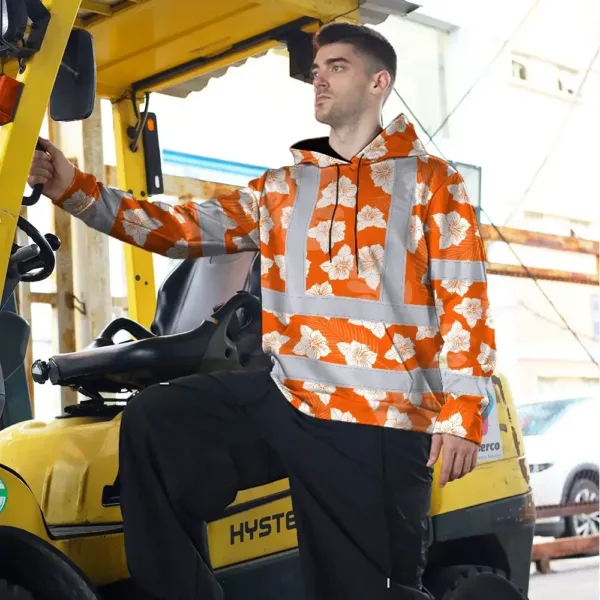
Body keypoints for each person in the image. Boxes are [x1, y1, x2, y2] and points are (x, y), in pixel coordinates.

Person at [28, 22, 496, 600]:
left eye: (337, 67)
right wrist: (72, 187)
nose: (319, 79)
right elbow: (177, 229)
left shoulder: (431, 183)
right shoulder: (282, 188)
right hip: (288, 396)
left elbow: (465, 299)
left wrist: (463, 411)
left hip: (378, 421)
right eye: (317, 69)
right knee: (158, 421)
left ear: (379, 83)